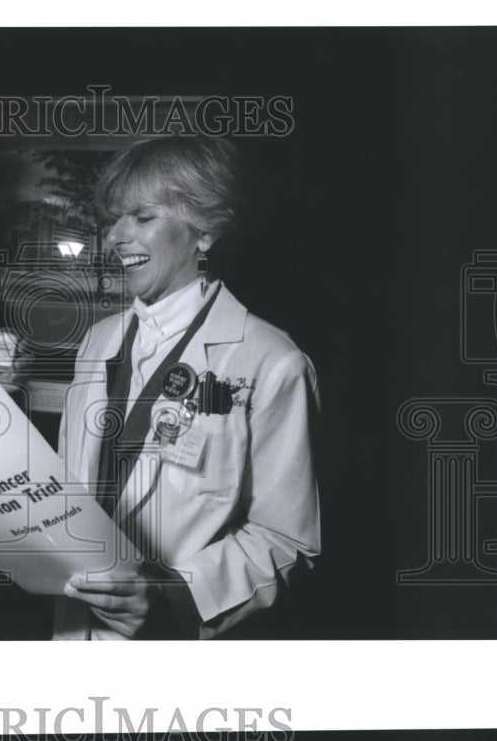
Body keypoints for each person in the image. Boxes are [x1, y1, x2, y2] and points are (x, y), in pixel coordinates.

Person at [53, 135, 320, 639]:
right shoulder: (96, 342)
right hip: (73, 635)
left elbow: (287, 540)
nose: (115, 235)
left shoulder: (271, 361)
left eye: (143, 217)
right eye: (115, 217)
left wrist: (170, 598)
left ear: (205, 232)